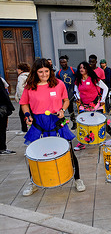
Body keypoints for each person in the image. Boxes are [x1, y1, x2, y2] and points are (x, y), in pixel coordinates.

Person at [20, 58, 85, 195]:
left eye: (46, 71)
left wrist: (62, 110)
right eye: (40, 72)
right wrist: (27, 115)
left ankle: (77, 179)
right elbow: (24, 103)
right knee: (34, 154)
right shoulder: (30, 86)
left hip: (57, 121)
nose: (44, 74)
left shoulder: (58, 84)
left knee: (69, 151)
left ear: (50, 71)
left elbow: (66, 100)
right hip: (39, 123)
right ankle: (33, 183)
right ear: (35, 72)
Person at [73, 61, 111, 150]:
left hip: (96, 104)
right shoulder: (78, 80)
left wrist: (103, 100)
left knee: (102, 123)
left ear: (87, 69)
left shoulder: (93, 78)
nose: (81, 69)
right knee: (83, 123)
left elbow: (105, 88)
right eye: (80, 68)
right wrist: (77, 97)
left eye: (84, 68)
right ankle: (82, 143)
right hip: (84, 106)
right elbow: (76, 91)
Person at [56, 55, 77, 130]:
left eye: (64, 62)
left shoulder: (73, 70)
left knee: (79, 107)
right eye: (61, 62)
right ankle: (74, 122)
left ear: (67, 61)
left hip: (74, 90)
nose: (63, 63)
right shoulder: (59, 73)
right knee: (70, 108)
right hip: (65, 93)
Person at [0, 76, 15, 155]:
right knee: (2, 129)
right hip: (1, 108)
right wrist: (10, 106)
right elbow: (3, 94)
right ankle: (2, 148)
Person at [15, 62, 31, 134]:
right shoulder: (30, 75)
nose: (17, 70)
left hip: (24, 98)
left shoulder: (21, 77)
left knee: (22, 114)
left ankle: (24, 129)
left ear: (21, 70)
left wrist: (20, 98)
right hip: (30, 97)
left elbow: (20, 88)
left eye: (18, 69)